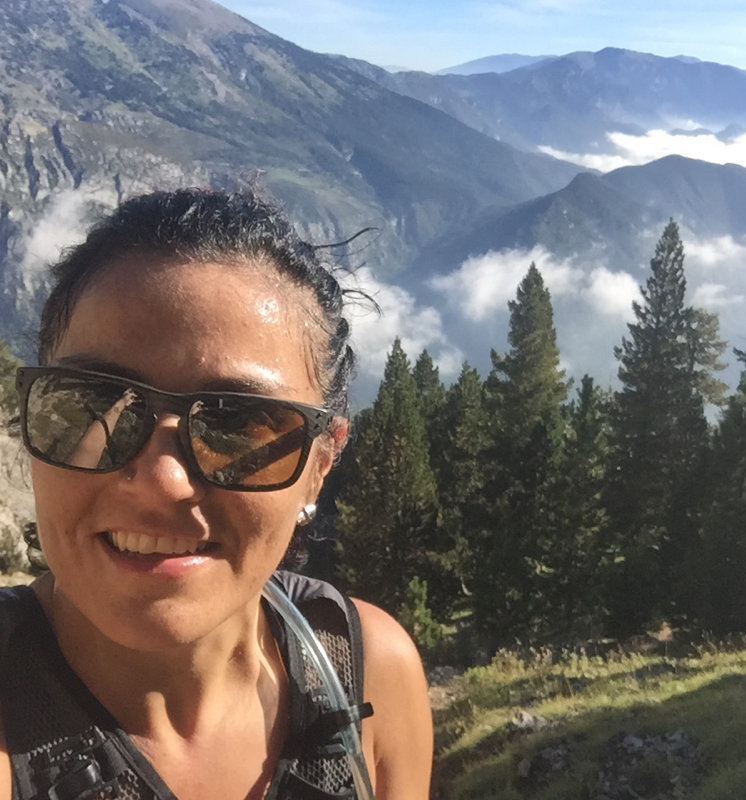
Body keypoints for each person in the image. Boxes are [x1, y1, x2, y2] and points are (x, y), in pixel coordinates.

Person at [0, 189, 433, 800]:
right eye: (95, 403)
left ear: (321, 464)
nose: (162, 480)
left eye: (237, 422)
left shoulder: (369, 676)